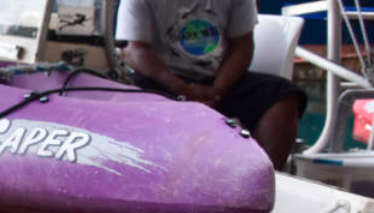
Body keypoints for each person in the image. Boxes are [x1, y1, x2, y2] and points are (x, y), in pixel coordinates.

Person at [116, 0, 306, 171]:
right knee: (128, 102)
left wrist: (217, 90)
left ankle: (266, 178)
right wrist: (181, 88)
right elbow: (134, 51)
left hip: (219, 82)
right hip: (161, 81)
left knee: (283, 95)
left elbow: (242, 46)